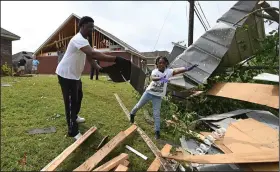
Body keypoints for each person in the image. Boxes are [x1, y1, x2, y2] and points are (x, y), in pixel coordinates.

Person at [55, 16, 129, 140]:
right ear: (82, 26)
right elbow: (93, 53)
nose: (92, 30)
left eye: (93, 28)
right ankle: (72, 131)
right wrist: (116, 59)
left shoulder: (84, 41)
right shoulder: (78, 39)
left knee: (79, 96)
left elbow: (89, 55)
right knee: (71, 102)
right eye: (90, 27)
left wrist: (97, 66)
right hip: (66, 74)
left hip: (74, 75)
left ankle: (75, 116)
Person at [129, 56, 198, 139]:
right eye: (159, 63)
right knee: (138, 105)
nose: (161, 64)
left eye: (163, 63)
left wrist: (188, 68)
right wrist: (161, 78)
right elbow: (153, 78)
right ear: (157, 64)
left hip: (158, 96)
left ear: (166, 64)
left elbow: (178, 70)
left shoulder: (169, 72)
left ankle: (157, 132)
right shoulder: (155, 71)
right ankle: (132, 114)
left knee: (156, 114)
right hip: (149, 92)